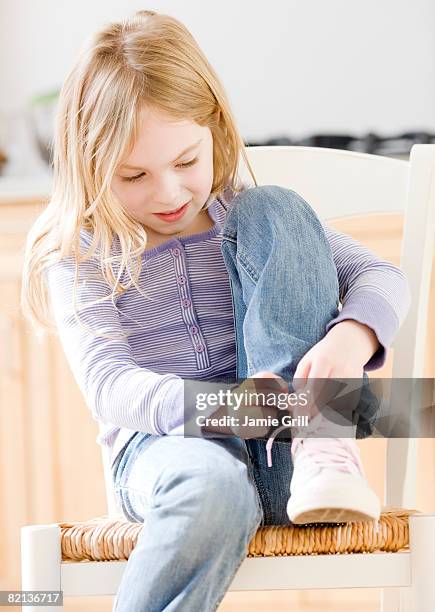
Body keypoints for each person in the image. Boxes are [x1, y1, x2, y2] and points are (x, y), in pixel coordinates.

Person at [21, 9, 411, 611]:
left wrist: (348, 343)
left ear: (216, 130)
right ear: (89, 164)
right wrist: (230, 410)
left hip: (289, 449)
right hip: (167, 457)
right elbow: (111, 388)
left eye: (185, 162)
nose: (169, 194)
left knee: (276, 206)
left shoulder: (240, 217)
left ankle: (321, 441)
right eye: (134, 175)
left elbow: (380, 276)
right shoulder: (81, 250)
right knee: (213, 485)